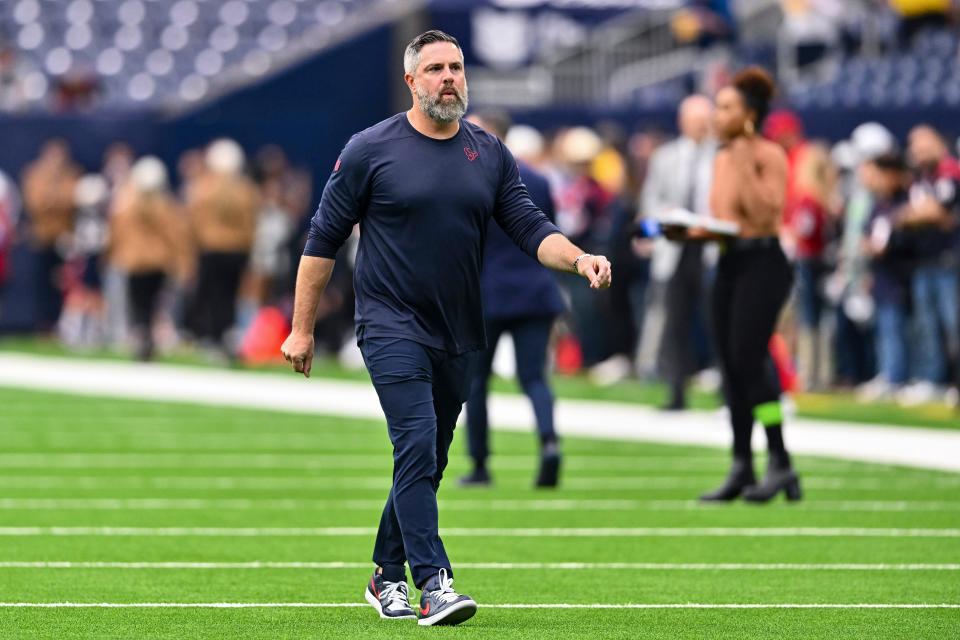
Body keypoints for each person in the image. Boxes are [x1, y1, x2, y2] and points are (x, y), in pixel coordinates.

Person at [279, 30, 611, 626]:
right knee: (414, 441)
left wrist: (579, 257)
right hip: (388, 322)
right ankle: (433, 582)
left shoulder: (488, 152)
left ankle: (385, 576)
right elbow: (321, 241)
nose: (449, 77)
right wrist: (301, 328)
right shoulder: (368, 149)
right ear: (412, 81)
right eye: (435, 69)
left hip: (459, 327)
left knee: (428, 456)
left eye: (456, 67)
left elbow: (531, 228)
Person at [668, 67, 800, 503]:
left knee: (749, 360)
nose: (715, 115)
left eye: (725, 108)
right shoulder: (720, 156)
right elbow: (729, 222)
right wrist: (688, 232)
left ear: (747, 115)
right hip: (728, 262)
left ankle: (779, 459)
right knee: (729, 365)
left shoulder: (766, 155)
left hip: (764, 262)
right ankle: (742, 462)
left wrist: (744, 154)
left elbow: (764, 213)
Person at [458, 111, 566, 489]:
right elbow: (547, 232)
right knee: (534, 377)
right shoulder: (537, 179)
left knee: (476, 384)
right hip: (535, 290)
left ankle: (480, 464)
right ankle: (550, 442)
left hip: (487, 293)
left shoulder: (468, 179)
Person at [640, 95, 717, 410]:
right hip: (675, 248)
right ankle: (676, 391)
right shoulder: (666, 157)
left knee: (717, 320)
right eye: (694, 120)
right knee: (675, 322)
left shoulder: (722, 155)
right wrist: (665, 217)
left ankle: (728, 391)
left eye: (703, 120)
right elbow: (650, 200)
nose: (699, 127)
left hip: (710, 246)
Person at [108, 157, 191, 361]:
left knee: (140, 305)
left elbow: (116, 233)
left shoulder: (127, 205)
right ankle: (147, 338)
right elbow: (178, 236)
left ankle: (143, 336)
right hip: (157, 262)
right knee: (152, 304)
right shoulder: (167, 207)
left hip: (136, 263)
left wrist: (113, 255)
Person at [185, 139, 260, 357]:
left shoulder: (203, 187)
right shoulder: (246, 190)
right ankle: (225, 336)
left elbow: (194, 220)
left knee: (213, 295)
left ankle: (215, 338)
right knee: (229, 296)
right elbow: (251, 223)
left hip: (212, 249)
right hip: (237, 250)